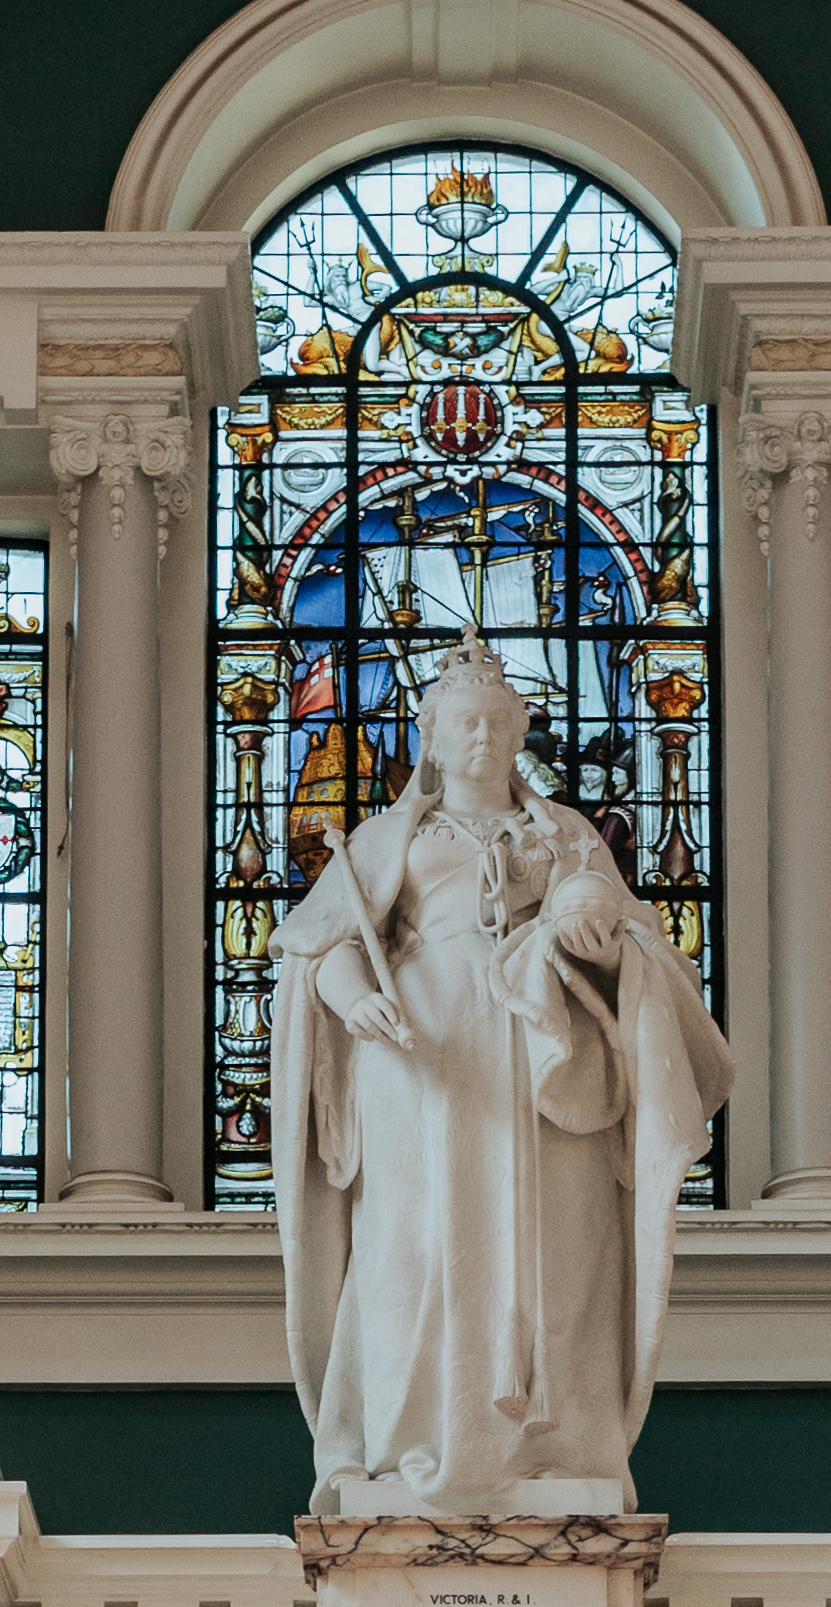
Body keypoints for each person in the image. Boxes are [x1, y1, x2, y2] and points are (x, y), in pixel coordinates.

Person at [269, 636, 729, 1512]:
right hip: (420, 1056)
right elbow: (315, 945)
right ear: (430, 739)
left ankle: (551, 1446)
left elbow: (632, 943)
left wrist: (596, 943)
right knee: (414, 1241)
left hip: (541, 1051)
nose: (480, 738)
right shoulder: (383, 837)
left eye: (495, 722)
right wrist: (356, 994)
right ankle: (412, 1440)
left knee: (557, 1242)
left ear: (521, 732)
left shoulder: (567, 836)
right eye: (461, 724)